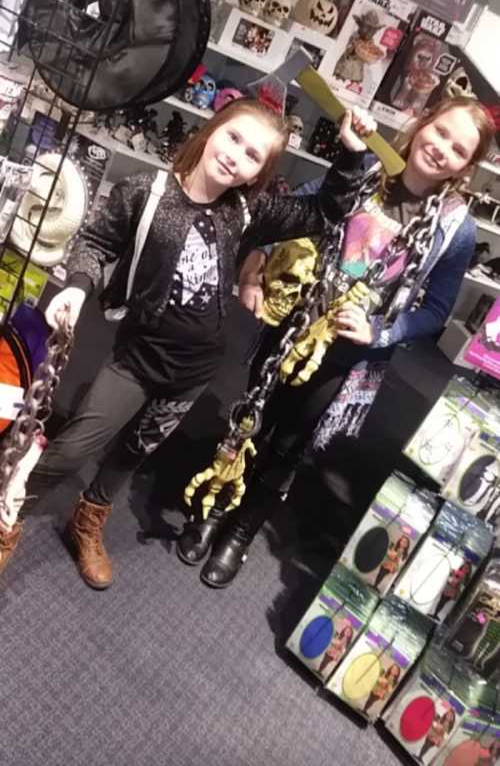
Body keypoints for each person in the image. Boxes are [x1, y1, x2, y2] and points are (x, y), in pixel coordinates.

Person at [0, 97, 361, 589]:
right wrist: (77, 287)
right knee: (75, 444)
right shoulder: (144, 192)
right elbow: (97, 242)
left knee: (135, 449)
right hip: (137, 359)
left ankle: (87, 521)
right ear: (214, 129)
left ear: (258, 173)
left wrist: (351, 154)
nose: (237, 156)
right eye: (234, 137)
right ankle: (6, 518)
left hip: (194, 371)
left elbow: (325, 213)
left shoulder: (246, 212)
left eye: (253, 156)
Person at [176, 96, 494, 588]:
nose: (441, 149)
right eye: (441, 132)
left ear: (467, 167)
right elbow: (296, 208)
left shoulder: (456, 230)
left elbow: (434, 312)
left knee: (289, 443)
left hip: (348, 350)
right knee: (252, 418)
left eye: (458, 149)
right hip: (296, 320)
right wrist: (257, 258)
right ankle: (214, 509)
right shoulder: (366, 168)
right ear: (423, 123)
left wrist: (382, 332)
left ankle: (240, 531)